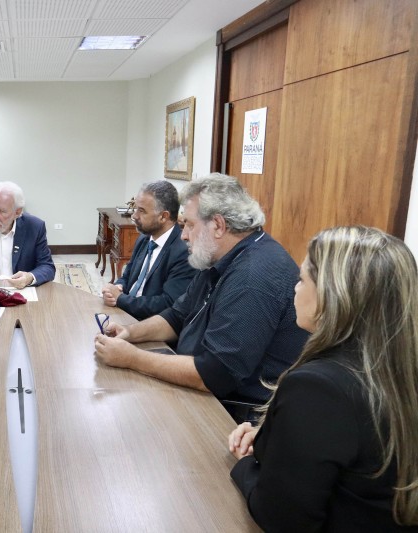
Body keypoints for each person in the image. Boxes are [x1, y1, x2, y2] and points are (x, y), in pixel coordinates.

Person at [229, 226, 418, 531]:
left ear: (334, 296)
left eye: (302, 279)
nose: (295, 289)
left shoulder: (317, 387)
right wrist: (274, 440)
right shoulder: (398, 372)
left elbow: (280, 517)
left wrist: (246, 465)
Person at [94, 173, 308, 412]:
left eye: (189, 225)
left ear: (218, 225)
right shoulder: (220, 255)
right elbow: (177, 315)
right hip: (202, 385)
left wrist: (132, 358)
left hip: (235, 410)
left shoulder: (253, 277)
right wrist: (130, 333)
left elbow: (215, 374)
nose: (183, 235)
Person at [101, 180, 195, 320]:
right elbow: (127, 276)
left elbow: (167, 303)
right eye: (136, 209)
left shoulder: (183, 252)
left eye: (141, 211)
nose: (134, 216)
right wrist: (117, 288)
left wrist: (120, 299)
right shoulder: (144, 239)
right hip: (124, 312)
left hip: (148, 323)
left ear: (163, 216)